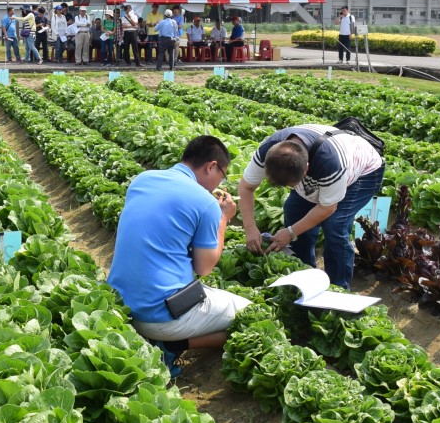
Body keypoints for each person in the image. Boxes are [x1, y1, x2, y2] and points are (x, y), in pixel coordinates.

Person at [108, 135, 248, 377]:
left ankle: (160, 339)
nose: (219, 182)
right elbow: (204, 268)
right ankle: (173, 346)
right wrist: (223, 218)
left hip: (122, 307)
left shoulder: (142, 180)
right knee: (251, 317)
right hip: (161, 318)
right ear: (211, 166)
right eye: (222, 175)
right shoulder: (206, 203)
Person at [237, 124, 385, 289]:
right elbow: (245, 187)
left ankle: (338, 287)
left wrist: (291, 232)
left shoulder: (329, 164)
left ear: (306, 168)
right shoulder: (268, 152)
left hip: (364, 171)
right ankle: (304, 271)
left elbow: (327, 208)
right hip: (327, 161)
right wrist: (250, 228)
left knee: (335, 225)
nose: (295, 187)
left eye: (295, 183)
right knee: (294, 210)